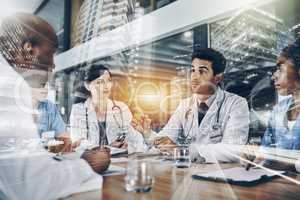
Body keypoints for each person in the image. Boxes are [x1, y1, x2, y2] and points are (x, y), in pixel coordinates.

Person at [0, 13, 110, 200]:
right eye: (51, 53)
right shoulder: (8, 87)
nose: (52, 64)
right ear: (29, 50)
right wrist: (87, 164)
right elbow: (32, 186)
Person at [133, 48, 250, 163]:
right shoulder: (185, 105)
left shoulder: (236, 104)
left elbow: (232, 149)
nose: (194, 77)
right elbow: (166, 138)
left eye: (202, 71)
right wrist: (148, 134)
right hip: (189, 173)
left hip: (219, 176)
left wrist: (184, 151)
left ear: (218, 78)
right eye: (193, 70)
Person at [246, 39, 300, 170]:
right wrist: (255, 156)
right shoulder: (279, 110)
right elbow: (266, 149)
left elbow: (278, 162)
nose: (273, 76)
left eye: (280, 69)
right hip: (276, 185)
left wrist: (289, 164)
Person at [70, 64, 145, 152]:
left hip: (119, 162)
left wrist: (127, 146)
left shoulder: (121, 108)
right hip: (90, 162)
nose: (106, 86)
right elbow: (78, 142)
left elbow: (137, 140)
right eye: (100, 82)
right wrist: (107, 148)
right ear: (87, 85)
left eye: (108, 81)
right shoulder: (78, 110)